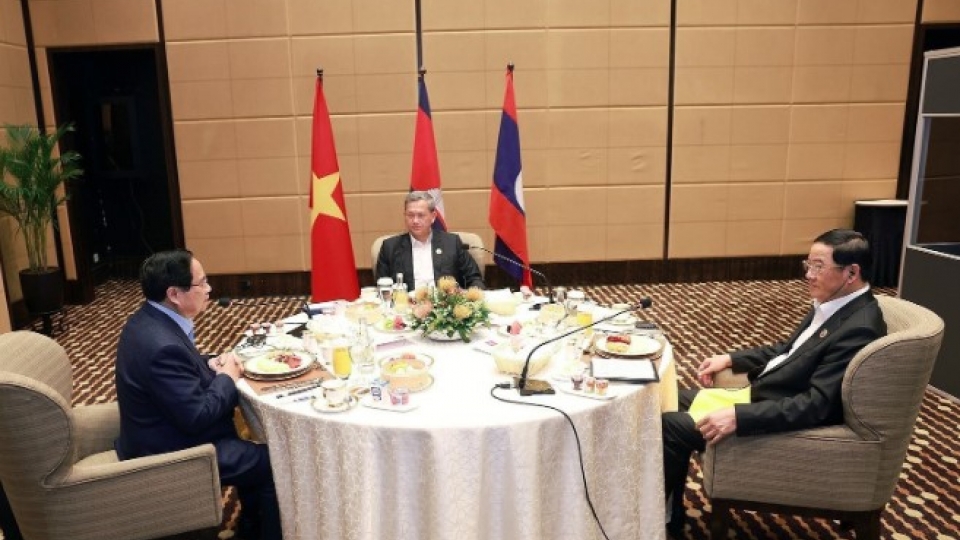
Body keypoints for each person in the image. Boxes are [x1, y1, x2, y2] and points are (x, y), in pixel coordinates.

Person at [661, 229, 887, 538]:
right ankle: (669, 511)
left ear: (851, 272)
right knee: (665, 399)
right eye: (807, 264)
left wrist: (739, 417)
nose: (809, 275)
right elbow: (789, 351)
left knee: (669, 425)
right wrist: (732, 359)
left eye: (818, 266)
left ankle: (661, 523)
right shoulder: (835, 305)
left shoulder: (858, 328)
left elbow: (817, 405)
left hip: (774, 416)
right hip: (761, 394)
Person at [114, 250, 281, 540]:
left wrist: (208, 363)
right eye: (201, 283)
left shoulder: (148, 319)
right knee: (270, 462)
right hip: (173, 448)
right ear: (175, 294)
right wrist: (227, 376)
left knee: (252, 454)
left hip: (163, 428)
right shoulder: (162, 345)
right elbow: (197, 416)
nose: (209, 289)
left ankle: (251, 527)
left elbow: (180, 369)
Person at [375, 191, 484, 291]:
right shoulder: (390, 247)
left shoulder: (452, 243)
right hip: (406, 308)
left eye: (421, 215)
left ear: (433, 217)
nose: (415, 221)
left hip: (445, 306)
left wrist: (469, 296)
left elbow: (474, 278)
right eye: (410, 215)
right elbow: (382, 287)